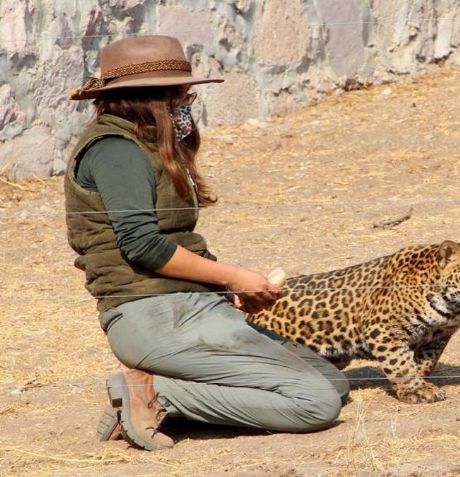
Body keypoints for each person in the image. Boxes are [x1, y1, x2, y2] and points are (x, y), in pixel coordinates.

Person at [65, 35, 349, 451]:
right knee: (315, 402)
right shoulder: (115, 151)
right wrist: (233, 276)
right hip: (154, 318)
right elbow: (143, 246)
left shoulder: (145, 145)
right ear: (152, 97)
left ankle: (167, 394)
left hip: (188, 308)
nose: (186, 103)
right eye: (181, 94)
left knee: (332, 381)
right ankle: (154, 394)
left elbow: (173, 238)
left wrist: (223, 289)